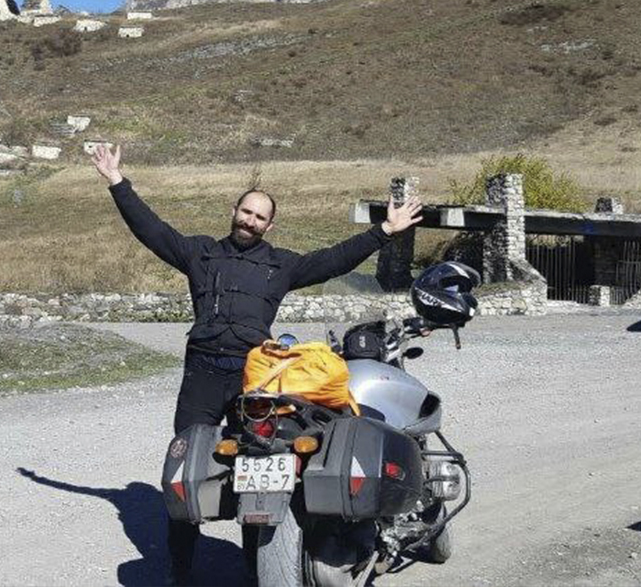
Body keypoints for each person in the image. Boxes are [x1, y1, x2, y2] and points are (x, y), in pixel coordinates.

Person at [91, 143, 423, 585]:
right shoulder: (199, 253)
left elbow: (332, 259)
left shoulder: (280, 265)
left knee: (258, 469)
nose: (250, 220)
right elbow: (152, 230)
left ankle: (258, 568)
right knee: (185, 473)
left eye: (259, 217)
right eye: (246, 212)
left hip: (252, 380)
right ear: (234, 211)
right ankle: (180, 572)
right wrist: (117, 181)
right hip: (202, 376)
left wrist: (383, 231)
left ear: (270, 225)